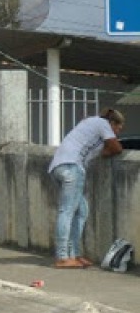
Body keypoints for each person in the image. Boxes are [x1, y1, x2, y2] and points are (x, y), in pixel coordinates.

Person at [48, 108, 124, 268]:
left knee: (81, 210)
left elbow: (101, 152)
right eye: (118, 128)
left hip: (58, 167)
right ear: (112, 123)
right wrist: (113, 143)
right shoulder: (103, 124)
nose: (118, 132)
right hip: (72, 168)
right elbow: (116, 148)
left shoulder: (89, 123)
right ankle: (62, 257)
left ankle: (74, 254)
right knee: (67, 211)